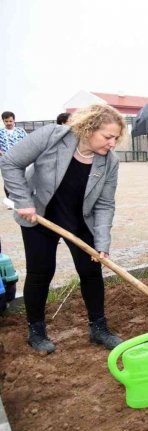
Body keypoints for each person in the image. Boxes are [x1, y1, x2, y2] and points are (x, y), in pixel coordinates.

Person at [0, 104, 126, 354]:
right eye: (108, 137)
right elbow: (10, 162)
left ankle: (98, 328)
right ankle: (36, 331)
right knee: (41, 272)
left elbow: (104, 203)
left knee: (91, 270)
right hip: (40, 215)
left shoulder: (109, 162)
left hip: (80, 220)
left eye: (116, 138)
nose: (112, 143)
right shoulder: (52, 137)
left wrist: (101, 243)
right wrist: (24, 201)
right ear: (89, 128)